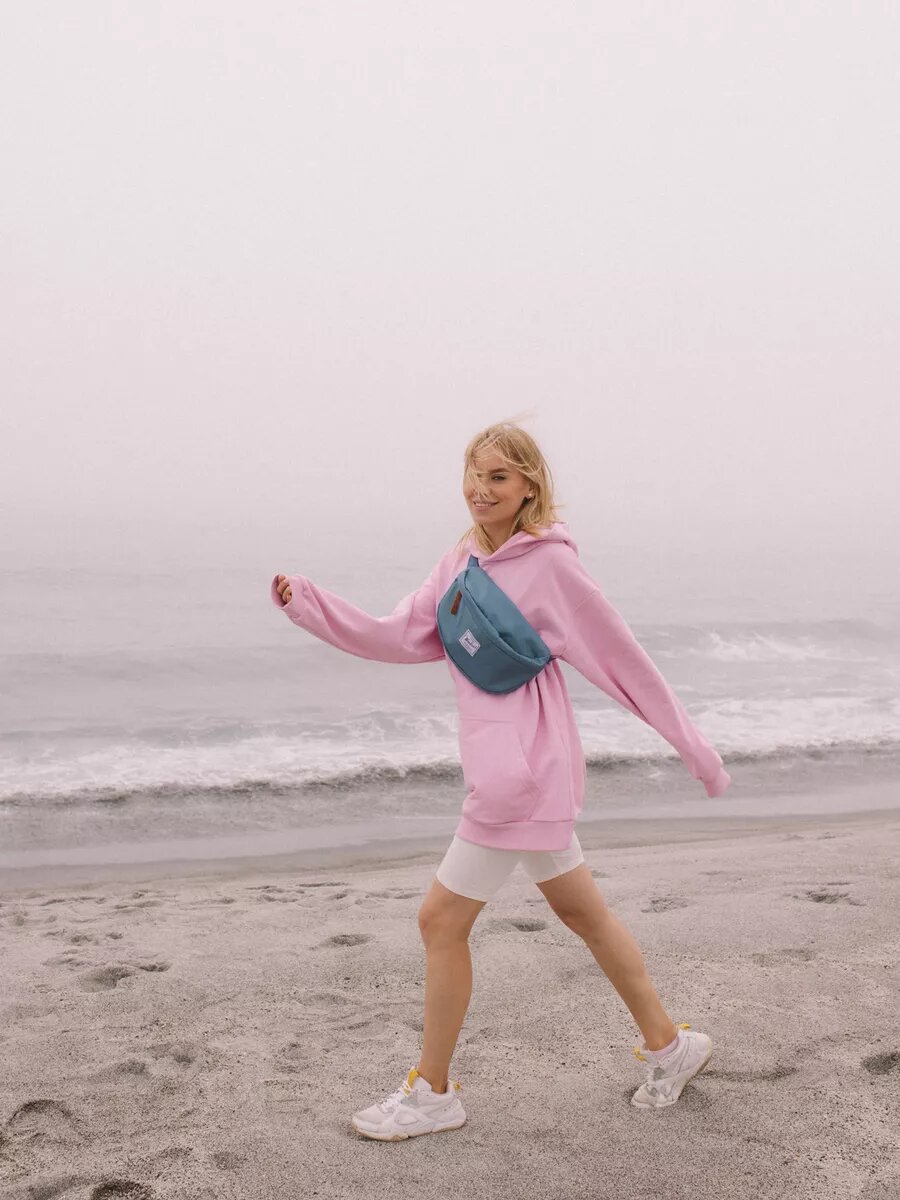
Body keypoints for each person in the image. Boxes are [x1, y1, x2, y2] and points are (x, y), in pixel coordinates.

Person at [271, 420, 730, 1141]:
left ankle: (433, 1093)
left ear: (528, 486)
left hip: (522, 777)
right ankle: (671, 1047)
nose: (480, 490)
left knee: (439, 920)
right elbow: (399, 634)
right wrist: (309, 602)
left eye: (498, 477)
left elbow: (624, 661)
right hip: (510, 770)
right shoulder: (459, 561)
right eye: (474, 474)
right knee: (584, 915)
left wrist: (696, 751)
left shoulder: (553, 568)